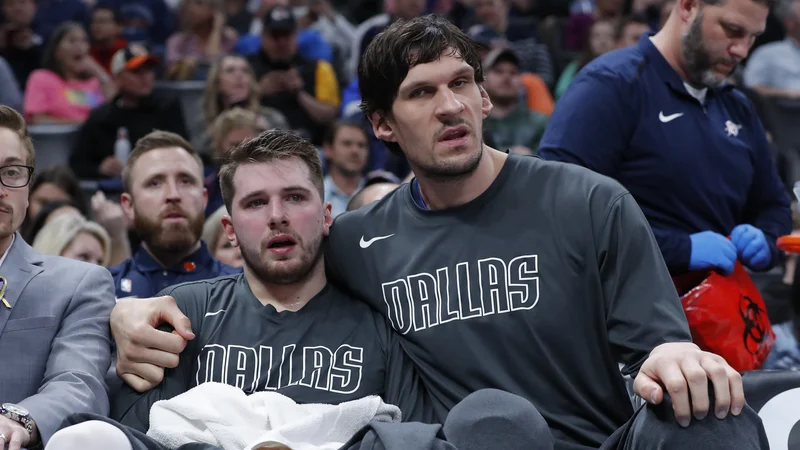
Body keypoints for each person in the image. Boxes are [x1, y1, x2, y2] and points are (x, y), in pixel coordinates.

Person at [106, 15, 769, 450]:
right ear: (383, 126)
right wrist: (129, 309)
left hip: (600, 441)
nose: (450, 106)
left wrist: (676, 358)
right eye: (422, 93)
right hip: (473, 441)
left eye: (461, 83)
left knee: (715, 417)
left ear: (485, 98)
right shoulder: (356, 242)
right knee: (488, 423)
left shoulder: (590, 201)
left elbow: (657, 348)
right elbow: (264, 274)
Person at [44, 130, 442, 450]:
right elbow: (143, 435)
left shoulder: (381, 325)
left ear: (325, 217)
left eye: (294, 197)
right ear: (230, 231)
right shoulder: (184, 312)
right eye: (255, 203)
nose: (276, 216)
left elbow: (410, 437)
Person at [538, 0, 791, 278]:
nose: (741, 50)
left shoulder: (737, 106)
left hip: (722, 308)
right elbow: (559, 209)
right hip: (628, 309)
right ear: (688, 7)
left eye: (753, 37)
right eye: (732, 30)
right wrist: (679, 250)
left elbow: (774, 204)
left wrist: (766, 239)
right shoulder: (611, 85)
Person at [0, 105, 116, 448]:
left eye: (12, 171)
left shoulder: (78, 283)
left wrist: (16, 421)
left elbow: (79, 384)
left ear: (28, 187)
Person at [110, 130, 239, 299]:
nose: (173, 194)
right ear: (129, 205)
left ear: (204, 198)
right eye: (154, 183)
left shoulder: (246, 291)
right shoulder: (103, 291)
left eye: (186, 181)